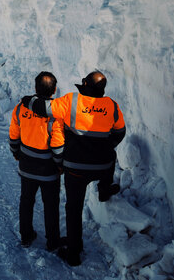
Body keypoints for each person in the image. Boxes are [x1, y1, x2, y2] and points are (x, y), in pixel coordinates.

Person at [22, 71, 126, 266]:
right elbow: (120, 131)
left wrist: (27, 100)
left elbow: (43, 107)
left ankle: (73, 252)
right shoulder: (111, 105)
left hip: (76, 169)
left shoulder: (71, 101)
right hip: (102, 166)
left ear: (85, 84)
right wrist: (105, 146)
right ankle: (104, 189)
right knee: (110, 158)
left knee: (73, 208)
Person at [9, 72, 63, 251]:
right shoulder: (56, 114)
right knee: (51, 205)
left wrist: (17, 153)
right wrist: (59, 164)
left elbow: (14, 136)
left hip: (26, 165)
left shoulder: (20, 108)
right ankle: (53, 241)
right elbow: (57, 144)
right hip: (48, 169)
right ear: (54, 90)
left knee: (26, 200)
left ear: (35, 88)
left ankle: (26, 235)